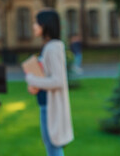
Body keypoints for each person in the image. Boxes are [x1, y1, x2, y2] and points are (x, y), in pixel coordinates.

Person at [25, 9, 74, 156]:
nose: (34, 26)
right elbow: (49, 77)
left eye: (37, 23)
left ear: (45, 25)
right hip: (46, 105)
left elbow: (58, 80)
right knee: (52, 147)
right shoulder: (50, 47)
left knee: (53, 148)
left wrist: (32, 79)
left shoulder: (52, 48)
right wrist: (36, 85)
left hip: (50, 108)